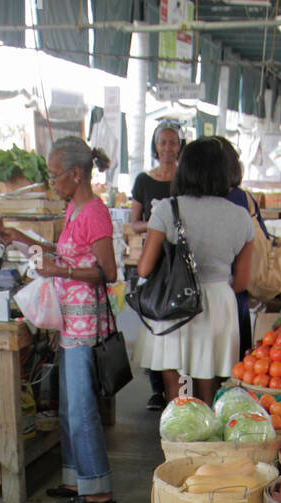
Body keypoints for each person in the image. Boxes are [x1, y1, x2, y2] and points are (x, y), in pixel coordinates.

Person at [133, 137, 254, 407]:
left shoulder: (167, 209)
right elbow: (243, 281)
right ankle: (208, 440)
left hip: (175, 303)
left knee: (179, 394)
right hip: (219, 305)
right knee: (209, 386)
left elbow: (145, 267)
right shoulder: (241, 217)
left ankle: (180, 443)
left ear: (185, 169)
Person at [36, 137, 117, 503]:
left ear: (76, 174)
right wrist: (23, 240)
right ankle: (75, 480)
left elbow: (108, 271)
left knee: (83, 408)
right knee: (69, 408)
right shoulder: (72, 210)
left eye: (55, 176)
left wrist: (61, 269)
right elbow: (66, 254)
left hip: (87, 328)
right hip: (69, 324)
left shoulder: (95, 213)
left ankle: (98, 487)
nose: (52, 182)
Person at [129, 121, 185, 411]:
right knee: (153, 322)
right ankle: (155, 389)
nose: (167, 148)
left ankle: (177, 388)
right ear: (155, 147)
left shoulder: (186, 179)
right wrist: (156, 225)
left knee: (178, 322)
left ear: (180, 146)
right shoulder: (144, 181)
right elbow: (133, 222)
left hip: (180, 263)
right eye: (162, 143)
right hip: (153, 260)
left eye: (173, 142)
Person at [216, 136, 269, 361]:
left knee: (204, 362)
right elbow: (262, 238)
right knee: (234, 360)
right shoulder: (245, 198)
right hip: (237, 290)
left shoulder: (203, 199)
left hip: (210, 291)